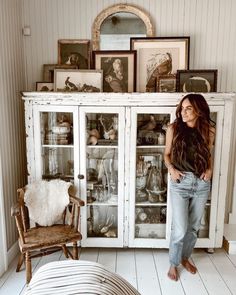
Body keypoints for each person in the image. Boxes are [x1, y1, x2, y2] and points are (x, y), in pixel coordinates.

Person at [164, 93, 215, 281]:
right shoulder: (174, 128)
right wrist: (171, 169)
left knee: (193, 227)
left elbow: (207, 154)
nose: (183, 112)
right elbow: (166, 154)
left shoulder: (208, 131)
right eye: (182, 108)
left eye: (188, 109)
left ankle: (185, 257)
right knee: (180, 228)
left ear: (199, 111)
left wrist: (209, 169)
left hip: (201, 183)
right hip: (180, 182)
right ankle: (173, 263)